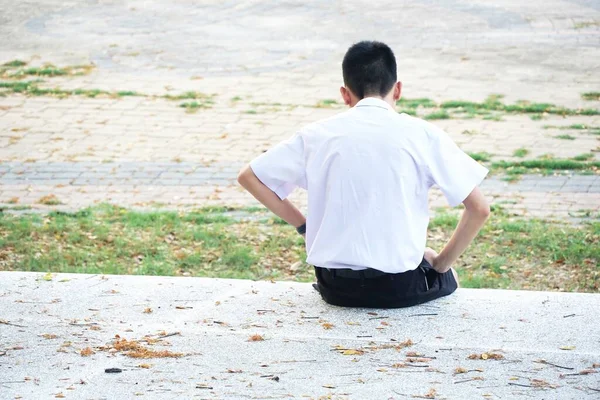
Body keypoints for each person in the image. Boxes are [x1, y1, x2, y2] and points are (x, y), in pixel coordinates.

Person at [238, 41, 490, 308]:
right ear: (398, 89)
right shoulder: (423, 134)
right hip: (399, 287)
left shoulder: (316, 134)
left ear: (345, 95)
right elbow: (479, 209)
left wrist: (304, 226)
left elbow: (250, 177)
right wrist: (440, 264)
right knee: (447, 274)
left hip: (335, 287)